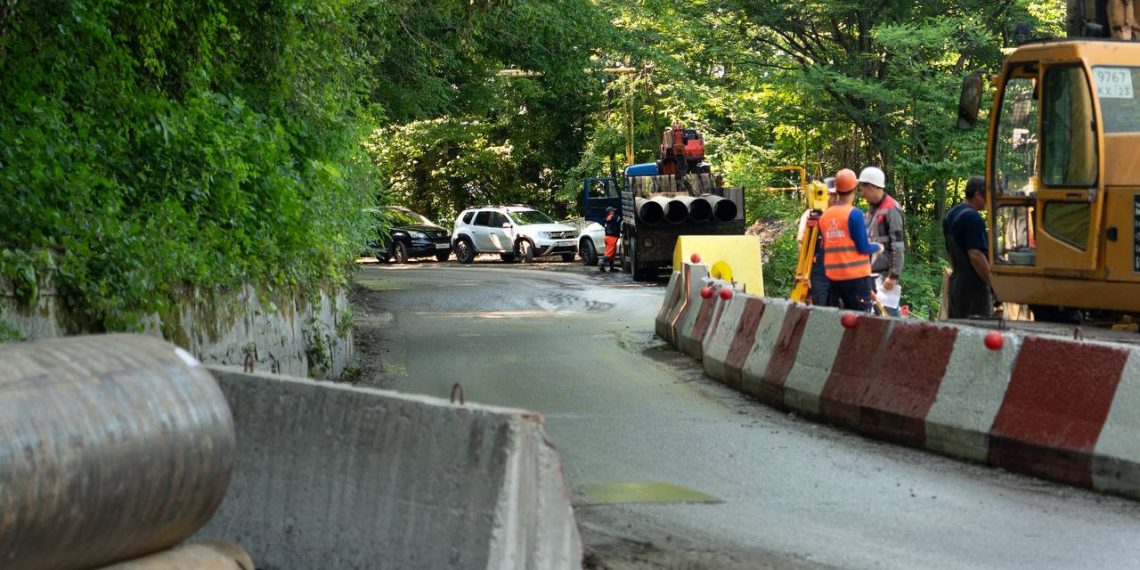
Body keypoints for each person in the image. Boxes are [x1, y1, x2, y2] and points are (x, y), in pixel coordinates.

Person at [821, 169, 882, 312]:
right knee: (860, 322)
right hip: (856, 279)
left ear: (836, 189)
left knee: (839, 321)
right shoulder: (854, 214)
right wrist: (878, 247)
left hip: (833, 280)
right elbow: (863, 247)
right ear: (854, 189)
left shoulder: (825, 217)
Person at [943, 176, 995, 318]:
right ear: (977, 194)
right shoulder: (973, 218)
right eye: (987, 196)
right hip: (973, 287)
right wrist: (991, 283)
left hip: (956, 283)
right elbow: (976, 255)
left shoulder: (950, 215)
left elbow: (949, 252)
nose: (989, 201)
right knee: (977, 332)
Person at [858, 166, 905, 316]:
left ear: (872, 186)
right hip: (872, 274)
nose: (862, 193)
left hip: (885, 277)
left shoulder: (891, 209)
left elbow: (898, 245)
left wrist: (893, 275)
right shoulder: (871, 210)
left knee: (888, 315)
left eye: (863, 189)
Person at [796, 177, 838, 305]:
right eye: (831, 194)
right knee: (820, 305)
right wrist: (805, 274)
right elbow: (802, 242)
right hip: (818, 270)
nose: (834, 198)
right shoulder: (810, 215)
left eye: (837, 195)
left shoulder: (839, 214)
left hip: (838, 268)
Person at [599, 206, 621, 272]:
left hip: (608, 237)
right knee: (609, 253)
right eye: (612, 211)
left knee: (612, 253)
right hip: (611, 237)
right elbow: (620, 219)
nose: (614, 212)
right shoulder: (612, 217)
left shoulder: (606, 218)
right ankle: (602, 265)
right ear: (610, 212)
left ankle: (612, 268)